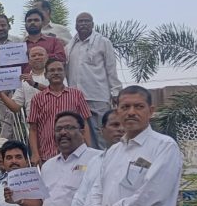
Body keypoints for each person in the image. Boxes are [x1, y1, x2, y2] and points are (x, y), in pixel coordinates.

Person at [87, 85, 183, 206]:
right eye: (125, 107)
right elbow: (97, 189)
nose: (131, 112)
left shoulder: (165, 146)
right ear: (118, 112)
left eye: (138, 106)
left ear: (151, 111)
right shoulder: (113, 151)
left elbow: (153, 194)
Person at [39, 112, 101, 206]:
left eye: (69, 127)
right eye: (58, 129)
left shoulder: (97, 159)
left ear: (82, 132)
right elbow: (44, 203)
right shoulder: (47, 166)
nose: (63, 132)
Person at [65, 12, 122, 148]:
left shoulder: (103, 42)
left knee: (101, 134)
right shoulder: (70, 46)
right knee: (82, 135)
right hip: (76, 98)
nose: (83, 24)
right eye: (80, 21)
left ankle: (106, 159)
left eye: (87, 21)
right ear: (75, 25)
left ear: (93, 24)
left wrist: (116, 91)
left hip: (98, 96)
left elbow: (111, 68)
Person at [69, 109, 125, 206]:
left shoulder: (135, 161)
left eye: (124, 125)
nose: (121, 129)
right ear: (102, 131)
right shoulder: (95, 161)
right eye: (115, 125)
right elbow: (80, 201)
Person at [27, 58, 92, 165]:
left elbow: (85, 123)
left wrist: (88, 148)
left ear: (65, 73)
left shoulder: (77, 95)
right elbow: (33, 129)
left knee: (80, 174)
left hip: (76, 154)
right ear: (46, 75)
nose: (56, 73)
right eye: (52, 70)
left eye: (59, 70)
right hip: (47, 156)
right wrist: (35, 154)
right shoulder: (37, 99)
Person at [0, 46, 50, 116]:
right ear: (29, 61)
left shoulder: (56, 75)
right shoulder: (24, 81)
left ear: (47, 57)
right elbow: (15, 107)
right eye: (33, 56)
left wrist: (34, 84)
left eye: (40, 55)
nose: (37, 57)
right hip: (33, 122)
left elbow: (57, 92)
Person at [22, 9, 65, 77]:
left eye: (36, 20)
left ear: (42, 23)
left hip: (50, 81)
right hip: (25, 82)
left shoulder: (54, 41)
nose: (32, 22)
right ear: (25, 25)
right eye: (29, 21)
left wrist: (43, 55)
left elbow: (61, 58)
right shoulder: (19, 47)